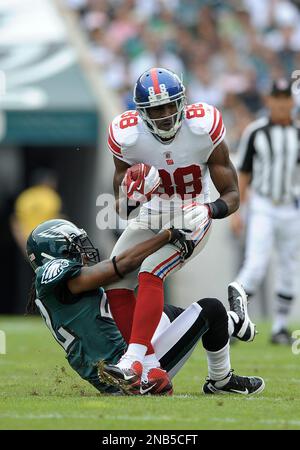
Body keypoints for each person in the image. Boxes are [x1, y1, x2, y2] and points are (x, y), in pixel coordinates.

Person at [105, 67, 240, 387]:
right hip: (152, 213)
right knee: (114, 278)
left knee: (151, 269)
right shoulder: (127, 136)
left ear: (182, 102)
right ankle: (153, 371)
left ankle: (131, 361)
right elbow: (122, 209)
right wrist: (132, 195)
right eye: (155, 109)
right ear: (141, 112)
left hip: (192, 213)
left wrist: (208, 209)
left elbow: (232, 194)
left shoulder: (203, 127)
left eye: (169, 106)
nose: (165, 115)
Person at [26, 219, 264, 396]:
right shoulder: (54, 277)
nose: (83, 250)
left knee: (161, 313)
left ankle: (234, 323)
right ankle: (221, 379)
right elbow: (117, 268)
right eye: (75, 245)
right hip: (124, 375)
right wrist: (165, 236)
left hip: (114, 365)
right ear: (54, 251)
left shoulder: (54, 286)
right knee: (211, 309)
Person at [230, 79, 300, 345]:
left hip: (291, 207)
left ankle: (280, 327)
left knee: (289, 266)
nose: (282, 104)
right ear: (269, 101)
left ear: (292, 102)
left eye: (286, 98)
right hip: (263, 205)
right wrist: (238, 211)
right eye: (277, 98)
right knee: (255, 264)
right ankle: (233, 320)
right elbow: (244, 172)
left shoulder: (297, 133)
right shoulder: (256, 131)